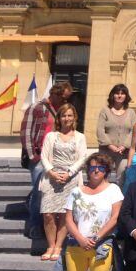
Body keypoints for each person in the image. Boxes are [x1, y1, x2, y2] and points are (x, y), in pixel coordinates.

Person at [63, 153, 123, 271]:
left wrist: (97, 237)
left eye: (101, 168)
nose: (96, 171)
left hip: (102, 246)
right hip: (76, 246)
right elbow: (68, 219)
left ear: (106, 171)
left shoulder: (114, 190)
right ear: (87, 170)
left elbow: (115, 217)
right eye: (92, 167)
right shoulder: (76, 191)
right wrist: (81, 238)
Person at [20, 81, 72, 239]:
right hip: (39, 158)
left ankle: (50, 226)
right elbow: (26, 132)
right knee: (39, 192)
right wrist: (32, 156)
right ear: (55, 94)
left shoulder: (63, 111)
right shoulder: (37, 107)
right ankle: (35, 225)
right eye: (63, 98)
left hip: (57, 159)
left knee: (53, 193)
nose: (65, 102)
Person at [39, 103, 88, 262]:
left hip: (71, 178)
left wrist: (68, 173)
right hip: (51, 177)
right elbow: (44, 157)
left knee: (64, 214)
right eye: (63, 115)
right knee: (48, 214)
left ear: (74, 117)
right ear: (59, 118)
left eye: (69, 115)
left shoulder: (80, 137)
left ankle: (58, 246)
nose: (67, 118)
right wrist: (52, 172)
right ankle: (50, 245)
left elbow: (82, 158)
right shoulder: (51, 136)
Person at [97, 83, 136, 185]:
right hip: (106, 151)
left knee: (121, 179)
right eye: (117, 93)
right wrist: (110, 146)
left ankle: (119, 200)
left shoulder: (131, 112)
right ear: (112, 95)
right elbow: (100, 130)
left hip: (123, 153)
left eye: (122, 93)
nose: (119, 96)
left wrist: (124, 146)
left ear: (126, 96)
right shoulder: (105, 111)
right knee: (104, 177)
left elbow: (133, 131)